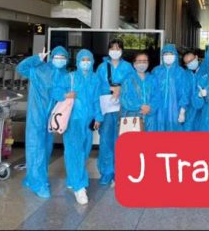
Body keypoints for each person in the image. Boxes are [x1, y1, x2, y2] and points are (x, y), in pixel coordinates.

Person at [16, 45, 68, 199]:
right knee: (36, 147)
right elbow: (20, 68)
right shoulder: (40, 69)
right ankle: (38, 183)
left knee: (46, 148)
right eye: (57, 56)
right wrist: (37, 59)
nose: (60, 60)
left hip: (51, 117)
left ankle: (33, 177)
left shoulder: (66, 75)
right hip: (37, 114)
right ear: (52, 57)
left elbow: (64, 94)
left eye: (63, 57)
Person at [52, 49, 102, 205]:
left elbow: (97, 99)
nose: (85, 62)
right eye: (83, 59)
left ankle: (72, 179)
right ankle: (79, 187)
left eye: (88, 59)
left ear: (92, 61)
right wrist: (66, 95)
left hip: (88, 121)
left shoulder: (95, 78)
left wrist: (98, 117)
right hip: (73, 121)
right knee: (75, 153)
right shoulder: (70, 77)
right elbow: (55, 91)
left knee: (85, 151)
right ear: (78, 61)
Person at [96, 39, 134, 186]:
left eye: (118, 48)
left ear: (122, 50)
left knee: (122, 141)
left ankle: (121, 173)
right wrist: (110, 89)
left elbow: (134, 84)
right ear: (108, 50)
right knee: (106, 140)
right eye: (112, 48)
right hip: (106, 109)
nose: (115, 51)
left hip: (123, 109)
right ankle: (107, 172)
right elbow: (96, 86)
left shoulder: (128, 67)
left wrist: (121, 89)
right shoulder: (102, 67)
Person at [151, 44, 190, 131]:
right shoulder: (156, 71)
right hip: (158, 110)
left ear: (175, 55)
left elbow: (184, 93)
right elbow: (151, 91)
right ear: (162, 56)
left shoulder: (181, 72)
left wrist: (182, 111)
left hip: (175, 110)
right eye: (166, 54)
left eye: (171, 54)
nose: (168, 57)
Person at [120, 52, 160, 131]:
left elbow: (157, 96)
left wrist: (150, 107)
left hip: (150, 118)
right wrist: (140, 106)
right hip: (133, 117)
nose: (142, 63)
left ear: (148, 63)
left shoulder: (153, 79)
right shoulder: (128, 79)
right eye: (139, 61)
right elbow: (125, 98)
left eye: (145, 61)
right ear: (134, 64)